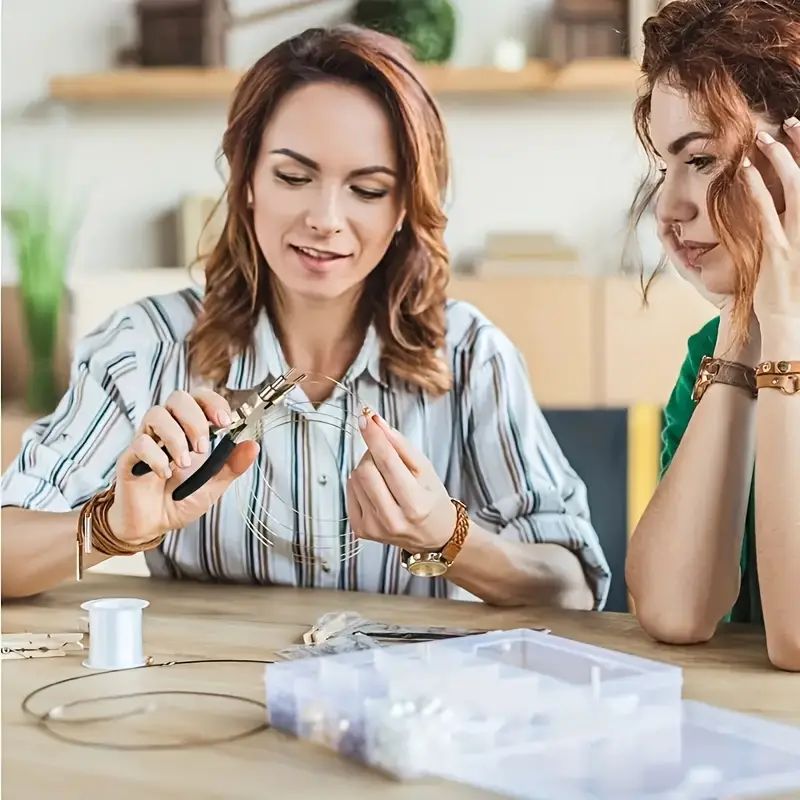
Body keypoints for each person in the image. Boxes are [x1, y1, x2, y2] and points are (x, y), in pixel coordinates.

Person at [1, 26, 609, 608]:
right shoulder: (144, 347)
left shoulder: (474, 355)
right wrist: (111, 528)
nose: (325, 217)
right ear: (246, 182)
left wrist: (449, 538)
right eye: (293, 176)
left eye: (368, 190)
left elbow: (572, 588)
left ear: (404, 208)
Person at [624, 0, 800, 669]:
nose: (668, 211)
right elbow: (677, 610)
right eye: (662, 168)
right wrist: (743, 326)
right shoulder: (715, 350)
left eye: (700, 160)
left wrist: (785, 328)